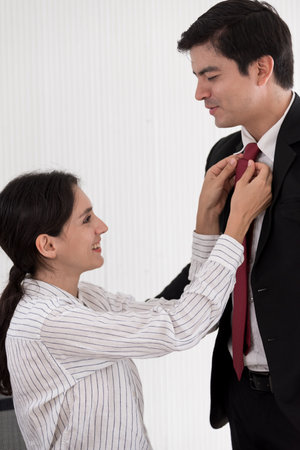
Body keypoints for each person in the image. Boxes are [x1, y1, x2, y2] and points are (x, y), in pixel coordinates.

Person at [0, 160, 270, 449]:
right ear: (48, 246)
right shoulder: (49, 320)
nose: (102, 227)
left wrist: (208, 215)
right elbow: (182, 326)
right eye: (86, 219)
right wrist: (237, 225)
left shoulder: (86, 298)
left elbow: (184, 312)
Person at [157, 0, 300, 448]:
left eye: (211, 75)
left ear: (261, 68)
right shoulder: (223, 157)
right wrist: (144, 314)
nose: (200, 93)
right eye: (197, 77)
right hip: (243, 397)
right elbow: (220, 263)